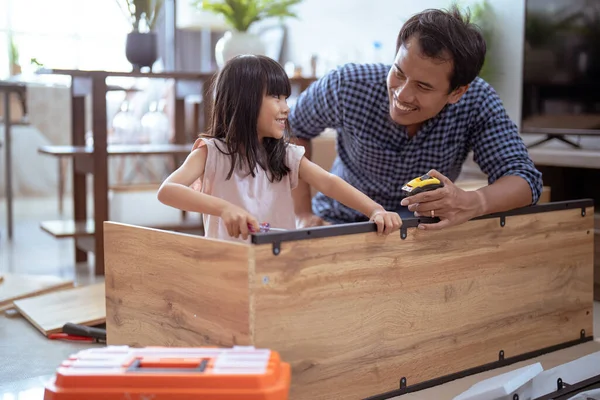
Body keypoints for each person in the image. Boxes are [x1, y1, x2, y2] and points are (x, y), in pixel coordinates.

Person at [289, 6, 543, 231]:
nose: (402, 94)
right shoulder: (347, 84)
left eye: (423, 87)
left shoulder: (478, 101)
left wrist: (473, 202)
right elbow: (292, 130)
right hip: (339, 222)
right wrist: (301, 213)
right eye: (399, 72)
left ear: (457, 92)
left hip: (422, 230)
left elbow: (524, 180)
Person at [156, 55, 402, 242]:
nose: (286, 107)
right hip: (227, 267)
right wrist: (224, 208)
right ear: (244, 101)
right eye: (276, 97)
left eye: (286, 98)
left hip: (279, 263)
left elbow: (328, 182)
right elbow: (167, 190)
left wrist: (375, 209)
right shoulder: (211, 153)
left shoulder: (285, 154)